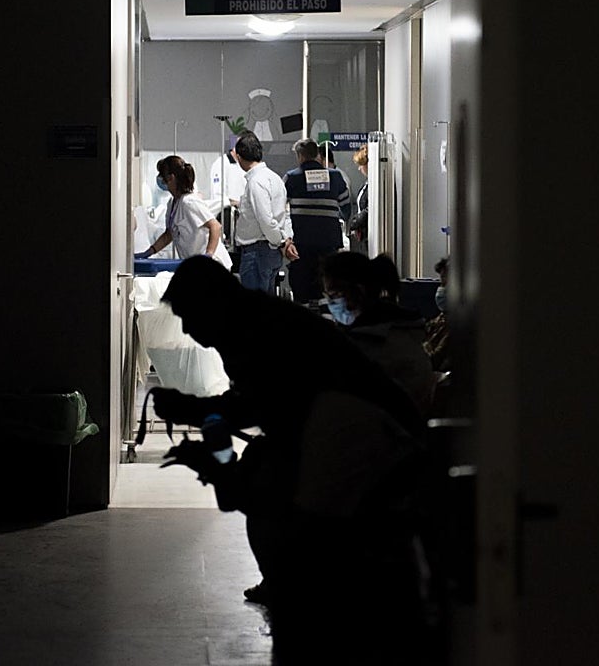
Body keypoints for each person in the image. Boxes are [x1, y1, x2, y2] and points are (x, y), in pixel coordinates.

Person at [152, 256, 428, 665]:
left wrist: (200, 422)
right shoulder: (251, 322)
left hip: (362, 447)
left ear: (211, 303)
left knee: (318, 575)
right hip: (351, 443)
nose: (188, 330)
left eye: (188, 317)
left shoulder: (258, 332)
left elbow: (263, 410)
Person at [320, 250, 440, 418]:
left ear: (358, 291)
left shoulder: (370, 348)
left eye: (334, 296)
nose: (330, 304)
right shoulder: (405, 329)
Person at [281, 137, 351, 303]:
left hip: (302, 246)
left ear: (300, 156)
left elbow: (279, 210)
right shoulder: (336, 176)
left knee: (302, 291)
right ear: (318, 155)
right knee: (328, 291)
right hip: (329, 245)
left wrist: (286, 239)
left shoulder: (291, 178)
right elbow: (346, 208)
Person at [137, 155, 232, 268]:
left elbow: (215, 226)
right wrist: (149, 252)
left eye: (162, 176)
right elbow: (169, 234)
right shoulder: (173, 203)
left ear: (171, 178)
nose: (160, 179)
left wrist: (209, 254)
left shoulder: (189, 202)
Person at [230, 130, 296, 293]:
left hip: (257, 252)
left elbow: (266, 220)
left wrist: (281, 242)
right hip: (270, 252)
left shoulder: (256, 182)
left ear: (239, 157)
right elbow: (284, 213)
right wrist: (285, 240)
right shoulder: (275, 178)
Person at [348, 143, 370, 251]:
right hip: (364, 233)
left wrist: (356, 222)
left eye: (361, 165)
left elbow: (369, 209)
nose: (359, 169)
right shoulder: (366, 184)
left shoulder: (374, 185)